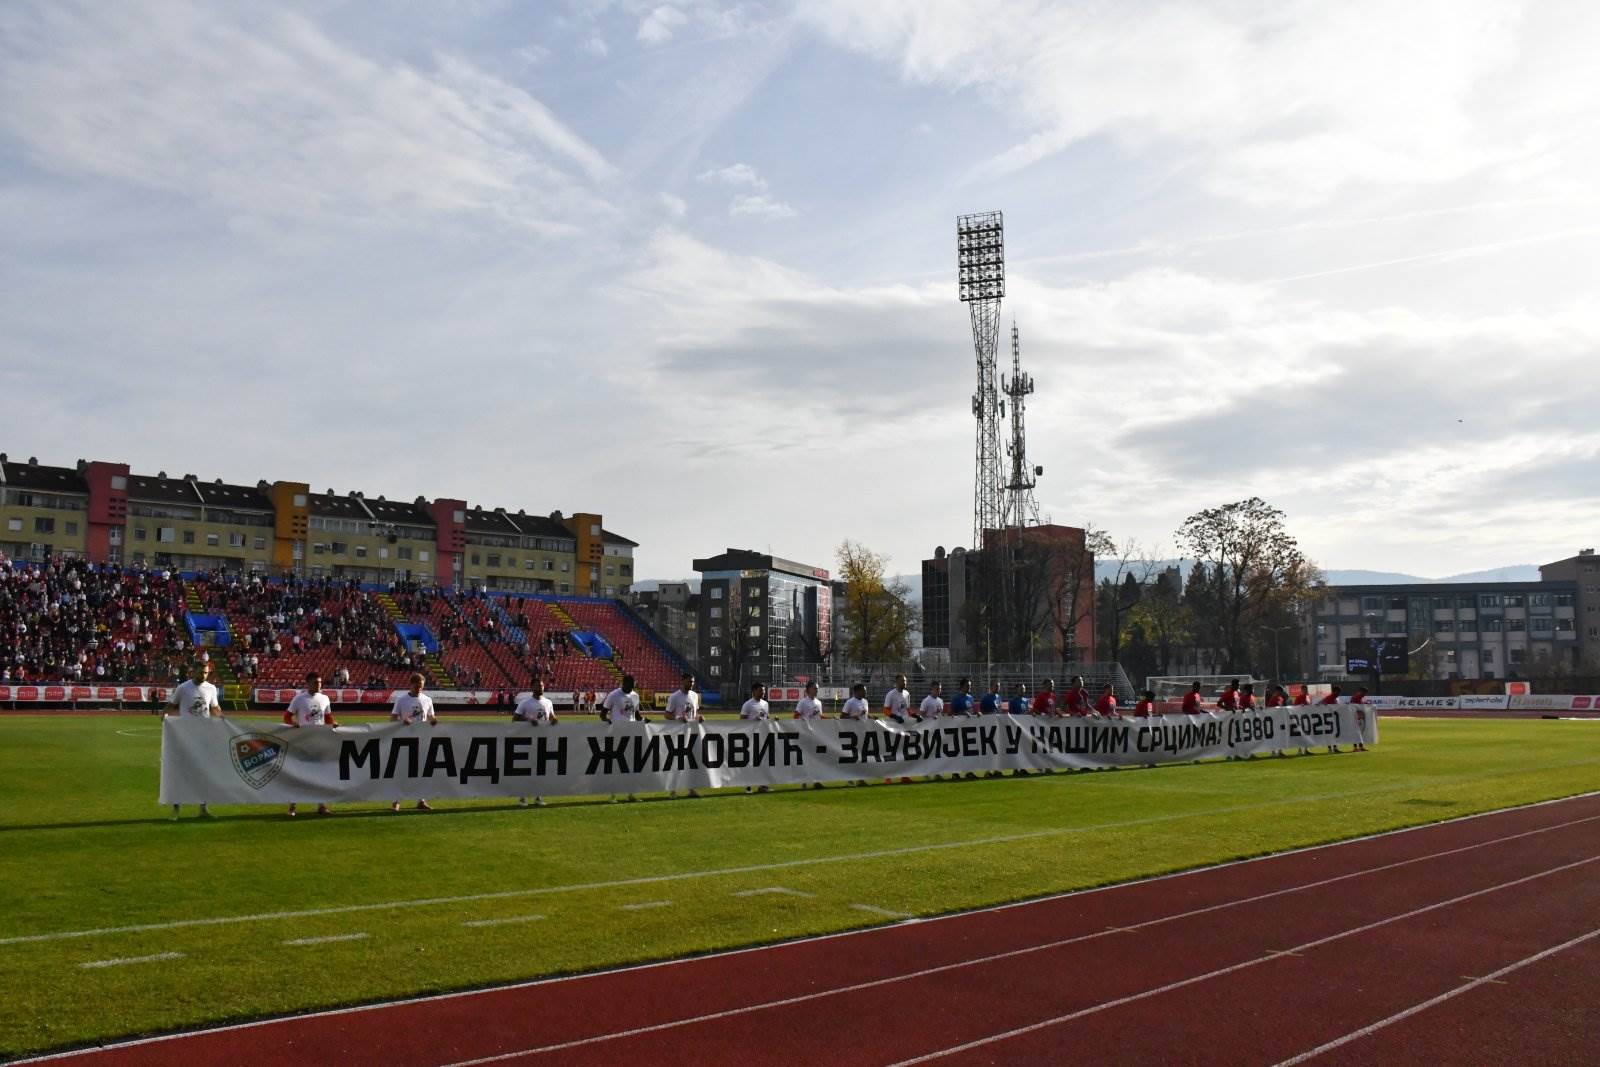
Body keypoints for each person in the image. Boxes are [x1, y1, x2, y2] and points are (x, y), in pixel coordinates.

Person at [167, 660, 221, 819]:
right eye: (200, 672)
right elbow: (172, 704)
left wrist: (224, 721)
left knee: (204, 773)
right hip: (185, 737)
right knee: (180, 773)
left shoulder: (211, 688)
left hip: (204, 738)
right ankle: (176, 809)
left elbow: (215, 708)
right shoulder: (183, 688)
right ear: (193, 671)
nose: (203, 675)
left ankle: (203, 809)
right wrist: (164, 715)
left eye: (206, 672)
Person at [287, 671, 336, 817]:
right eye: (316, 682)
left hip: (320, 742)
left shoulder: (325, 698)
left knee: (321, 775)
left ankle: (321, 805)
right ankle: (292, 806)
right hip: (303, 742)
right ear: (308, 683)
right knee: (298, 775)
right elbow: (287, 716)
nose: (319, 685)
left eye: (320, 682)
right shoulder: (299, 699)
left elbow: (327, 718)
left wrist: (334, 724)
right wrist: (295, 723)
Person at [390, 672, 436, 812]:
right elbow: (392, 719)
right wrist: (402, 721)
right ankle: (396, 801)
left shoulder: (427, 699)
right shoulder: (401, 700)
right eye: (417, 687)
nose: (419, 690)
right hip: (405, 740)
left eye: (421, 687)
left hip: (422, 741)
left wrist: (433, 721)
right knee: (403, 772)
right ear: (411, 685)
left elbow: (431, 717)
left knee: (421, 772)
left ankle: (421, 800)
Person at [513, 679, 557, 807]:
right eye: (538, 686)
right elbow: (515, 718)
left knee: (540, 770)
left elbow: (551, 717)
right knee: (526, 770)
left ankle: (538, 796)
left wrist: (555, 720)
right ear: (532, 687)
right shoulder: (525, 703)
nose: (541, 688)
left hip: (543, 740)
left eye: (542, 685)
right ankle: (522, 797)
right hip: (528, 740)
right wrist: (528, 719)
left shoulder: (548, 702)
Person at [665, 673, 702, 799]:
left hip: (692, 734)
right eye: (689, 681)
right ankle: (673, 791)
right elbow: (667, 714)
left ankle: (692, 789)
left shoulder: (695, 695)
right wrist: (678, 718)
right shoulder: (675, 697)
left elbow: (695, 714)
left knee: (692, 762)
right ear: (682, 681)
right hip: (678, 734)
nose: (691, 684)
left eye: (692, 682)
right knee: (677, 762)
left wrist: (699, 717)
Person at [740, 682, 772, 793]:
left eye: (763, 690)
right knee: (750, 762)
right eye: (760, 690)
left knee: (763, 761)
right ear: (753, 691)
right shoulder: (748, 704)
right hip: (751, 737)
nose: (763, 692)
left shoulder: (765, 704)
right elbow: (742, 720)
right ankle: (747, 786)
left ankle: (762, 785)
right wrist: (754, 720)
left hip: (763, 736)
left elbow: (767, 718)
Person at [794, 681, 826, 788]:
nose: (816, 690)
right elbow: (796, 716)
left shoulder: (819, 702)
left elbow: (820, 717)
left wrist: (830, 719)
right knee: (806, 757)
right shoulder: (802, 702)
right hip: (806, 733)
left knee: (817, 757)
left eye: (817, 688)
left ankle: (817, 780)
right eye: (814, 688)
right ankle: (804, 780)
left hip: (817, 733)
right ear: (808, 690)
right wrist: (806, 718)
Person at [840, 683, 871, 786]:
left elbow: (865, 715)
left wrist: (871, 717)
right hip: (852, 733)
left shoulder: (865, 701)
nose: (865, 692)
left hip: (863, 732)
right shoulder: (850, 702)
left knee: (862, 756)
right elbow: (842, 717)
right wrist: (853, 717)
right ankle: (849, 778)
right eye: (864, 690)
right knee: (852, 756)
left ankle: (860, 778)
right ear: (857, 691)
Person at [1319, 685, 1344, 754]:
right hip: (1328, 720)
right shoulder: (1330, 697)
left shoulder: (1335, 699)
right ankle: (1330, 748)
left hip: (1334, 719)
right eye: (1338, 692)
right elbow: (1321, 703)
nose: (1339, 694)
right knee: (1329, 734)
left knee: (1334, 733)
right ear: (1335, 691)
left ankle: (1335, 747)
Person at [1350, 687, 1369, 752]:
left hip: (1357, 717)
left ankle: (1360, 747)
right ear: (1362, 691)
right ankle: (1356, 748)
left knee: (1359, 732)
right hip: (1356, 717)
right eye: (1365, 693)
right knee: (1357, 732)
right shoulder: (1357, 697)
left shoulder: (1357, 697)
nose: (1365, 695)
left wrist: (1364, 703)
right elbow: (1358, 705)